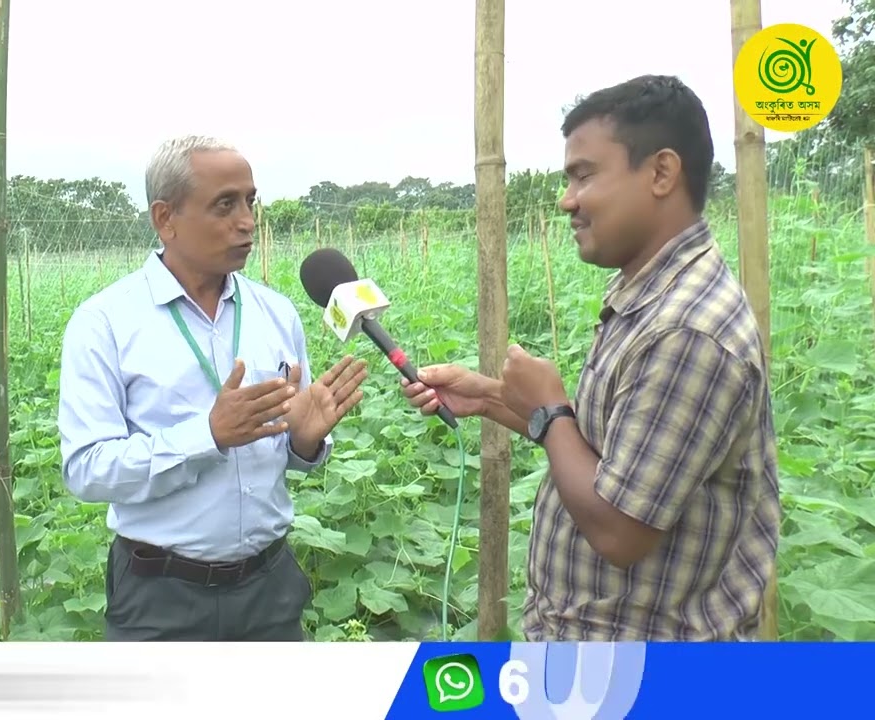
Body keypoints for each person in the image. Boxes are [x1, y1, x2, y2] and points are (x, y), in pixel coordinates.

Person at [401, 75, 780, 641]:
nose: (566, 199)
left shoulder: (686, 329)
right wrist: (492, 398)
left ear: (661, 172)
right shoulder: (649, 292)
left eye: (584, 175)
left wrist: (551, 408)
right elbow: (610, 450)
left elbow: (621, 531)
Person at [58, 135, 368, 641]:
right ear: (166, 218)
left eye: (250, 201)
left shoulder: (276, 313)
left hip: (270, 588)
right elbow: (86, 469)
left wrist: (304, 441)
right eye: (225, 205)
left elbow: (289, 452)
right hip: (160, 597)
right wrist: (208, 435)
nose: (246, 221)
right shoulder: (104, 323)